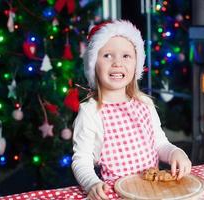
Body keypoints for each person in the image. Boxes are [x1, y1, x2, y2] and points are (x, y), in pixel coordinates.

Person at [72, 20, 192, 200]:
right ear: (93, 65)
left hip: (151, 192)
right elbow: (81, 160)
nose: (117, 63)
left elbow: (160, 144)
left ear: (136, 64)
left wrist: (176, 152)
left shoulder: (144, 104)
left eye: (126, 56)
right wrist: (92, 183)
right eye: (107, 55)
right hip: (117, 194)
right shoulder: (90, 112)